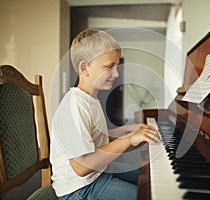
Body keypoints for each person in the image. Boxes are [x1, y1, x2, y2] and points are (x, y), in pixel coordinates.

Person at [50, 28, 162, 200]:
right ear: (85, 68)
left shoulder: (89, 99)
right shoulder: (74, 106)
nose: (116, 74)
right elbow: (81, 167)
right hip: (79, 190)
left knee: (149, 179)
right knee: (149, 196)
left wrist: (127, 129)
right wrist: (128, 140)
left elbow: (96, 137)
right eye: (110, 67)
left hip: (97, 175)